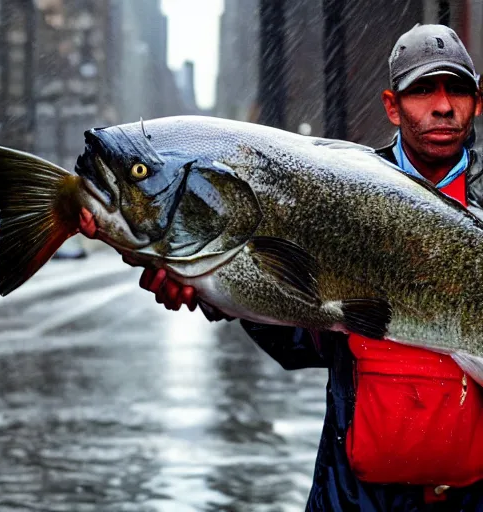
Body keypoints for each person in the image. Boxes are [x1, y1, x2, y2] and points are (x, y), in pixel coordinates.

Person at [139, 24, 483, 511]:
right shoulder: (337, 187)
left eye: (458, 90)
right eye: (422, 89)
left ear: (478, 100)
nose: (443, 106)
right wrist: (218, 292)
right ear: (392, 105)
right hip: (358, 496)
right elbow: (301, 338)